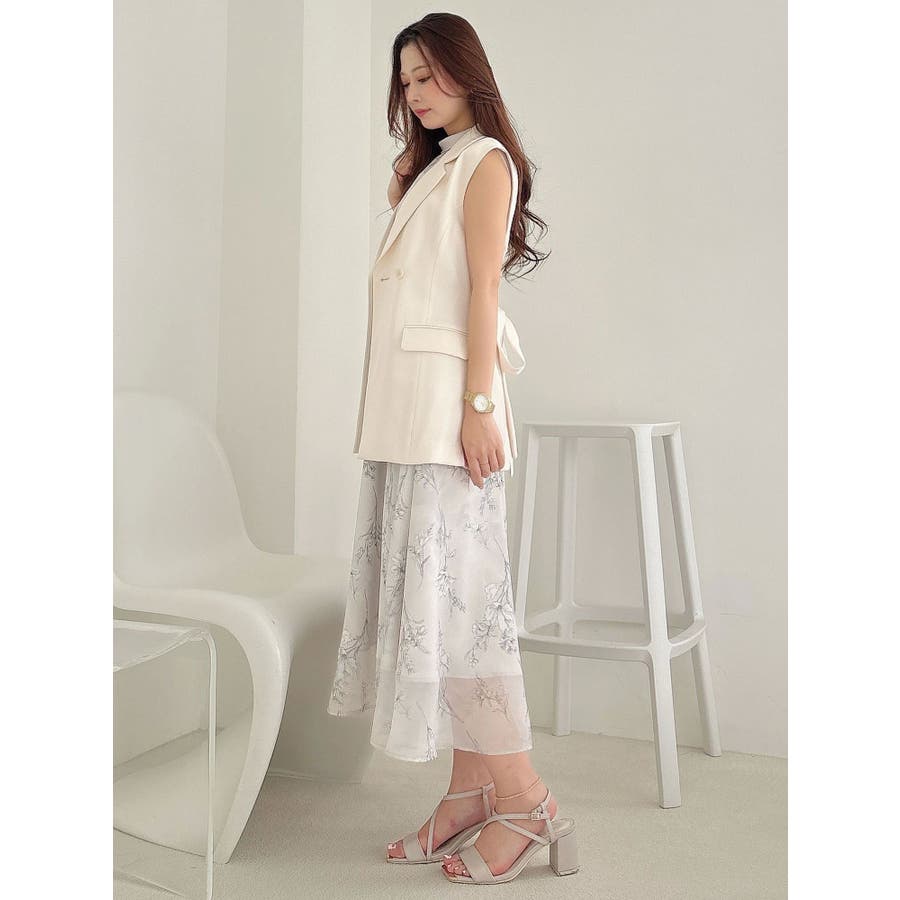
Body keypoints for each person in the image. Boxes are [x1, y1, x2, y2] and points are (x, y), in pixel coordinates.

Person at [326, 12, 578, 885]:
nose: (417, 92)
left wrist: (477, 407)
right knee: (440, 609)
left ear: (468, 72)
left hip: (446, 417)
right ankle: (469, 794)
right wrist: (405, 180)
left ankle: (528, 802)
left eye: (429, 75)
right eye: (406, 80)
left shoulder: (485, 164)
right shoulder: (439, 167)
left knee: (463, 614)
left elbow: (481, 291)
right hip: (408, 416)